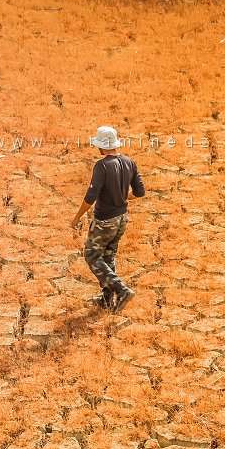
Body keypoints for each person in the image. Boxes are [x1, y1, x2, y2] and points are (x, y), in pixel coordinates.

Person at [69, 126, 145, 312]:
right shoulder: (129, 162)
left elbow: (90, 197)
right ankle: (106, 299)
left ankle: (122, 290)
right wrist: (120, 197)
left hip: (105, 221)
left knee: (91, 255)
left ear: (101, 147)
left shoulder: (102, 166)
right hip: (122, 219)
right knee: (108, 256)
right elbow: (140, 192)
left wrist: (77, 217)